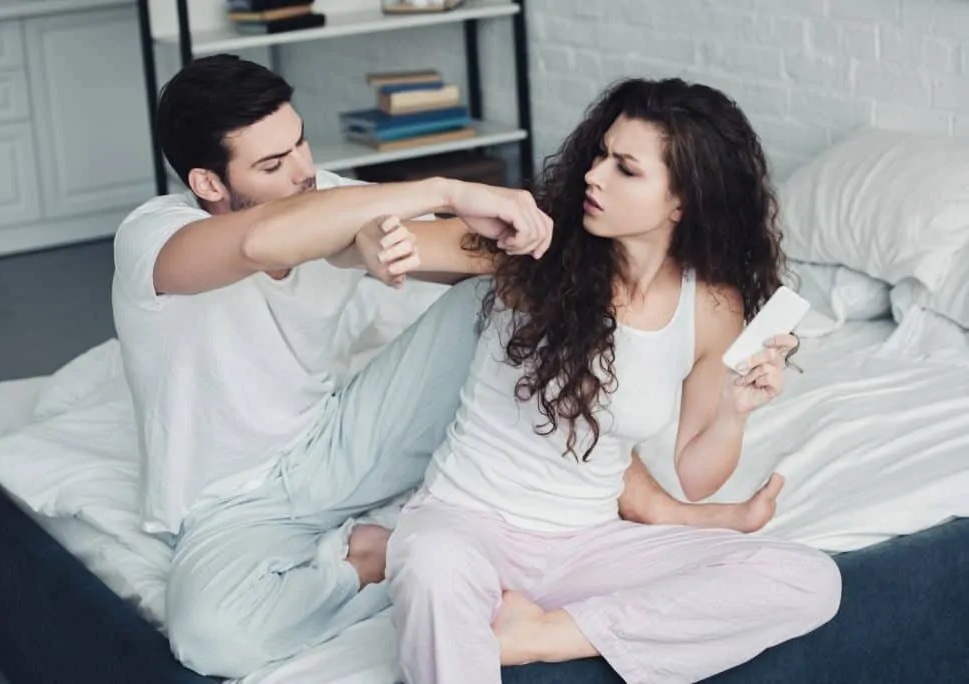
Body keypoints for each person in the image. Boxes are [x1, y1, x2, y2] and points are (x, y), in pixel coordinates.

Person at [386, 78, 843, 684]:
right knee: (429, 565)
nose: (594, 176)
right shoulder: (530, 248)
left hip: (587, 544)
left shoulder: (709, 305)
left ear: (683, 201)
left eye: (625, 169)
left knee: (809, 579)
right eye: (600, 155)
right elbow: (377, 246)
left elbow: (696, 475)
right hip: (465, 522)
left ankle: (540, 635)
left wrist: (736, 411)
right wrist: (415, 213)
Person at [112, 53, 554, 677]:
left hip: (336, 443)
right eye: (271, 164)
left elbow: (469, 253)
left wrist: (396, 239)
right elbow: (258, 240)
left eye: (300, 143)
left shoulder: (331, 195)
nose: (304, 172)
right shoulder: (152, 236)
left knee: (501, 298)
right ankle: (367, 562)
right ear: (208, 183)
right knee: (213, 636)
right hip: (232, 503)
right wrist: (444, 189)